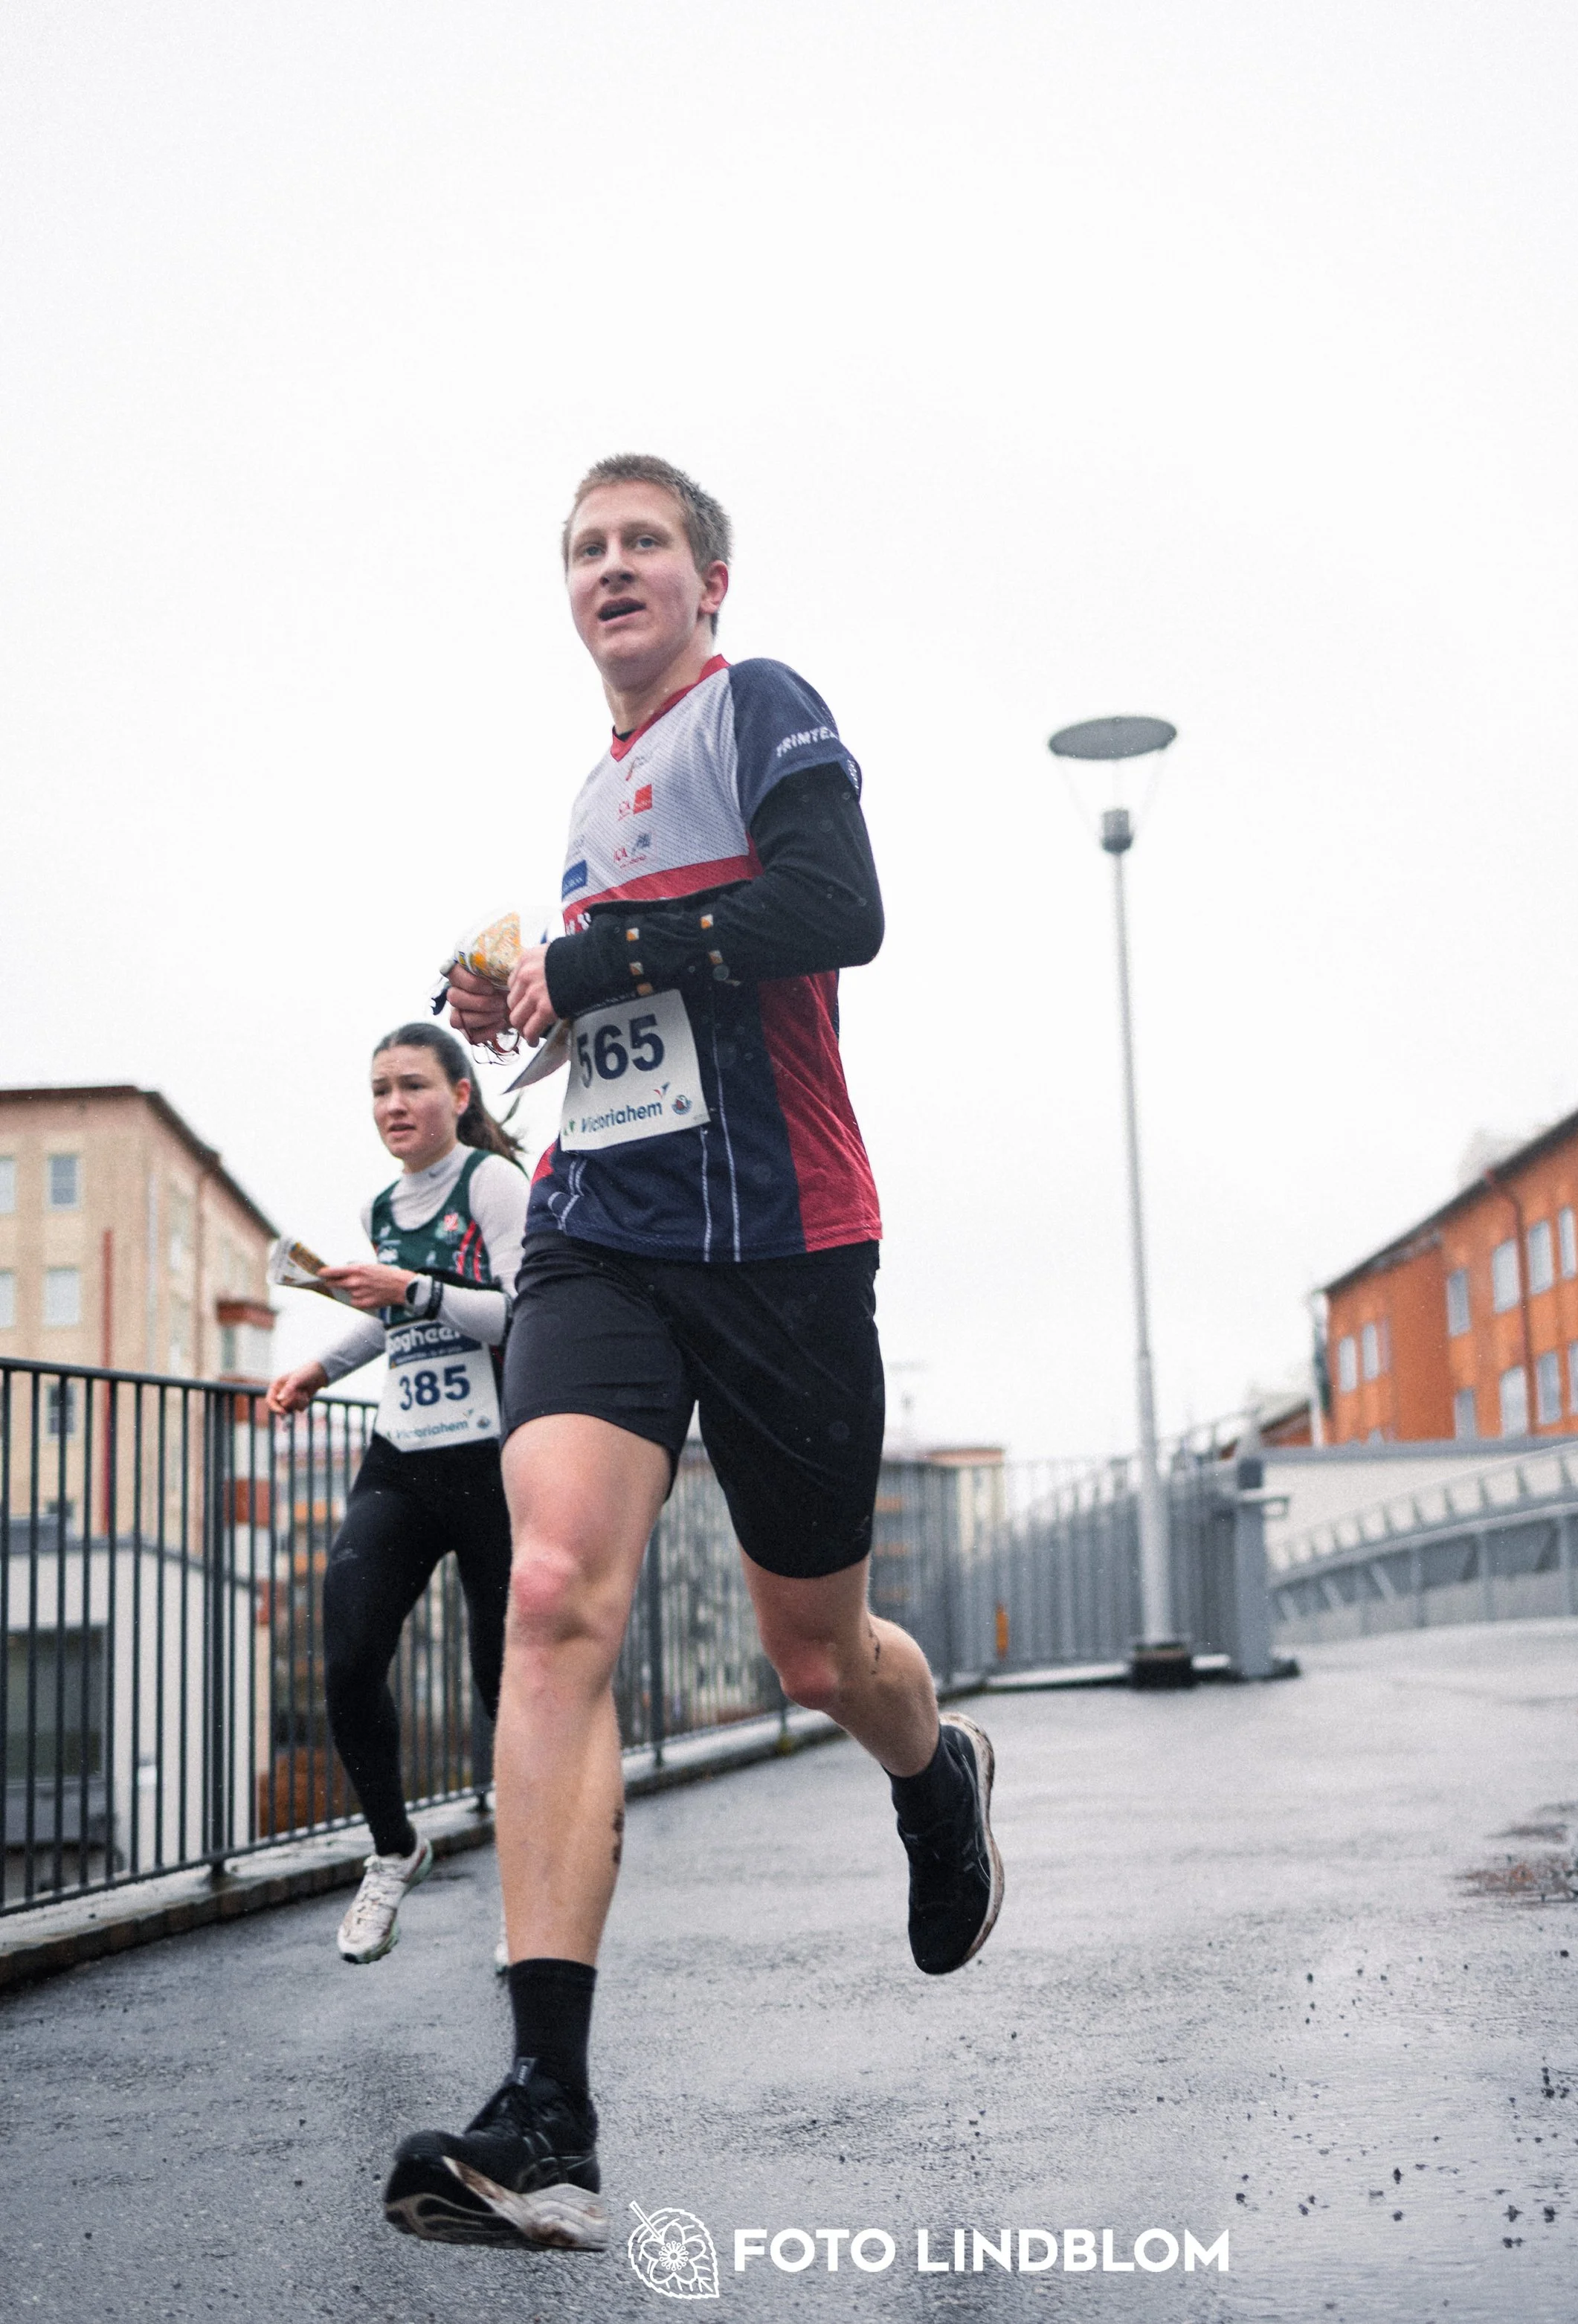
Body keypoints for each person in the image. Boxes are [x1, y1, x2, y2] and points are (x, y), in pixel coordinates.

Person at [382, 455, 1002, 2250]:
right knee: (556, 1583)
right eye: (585, 548)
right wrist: (530, 998)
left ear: (709, 583)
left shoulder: (762, 708)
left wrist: (600, 960)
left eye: (644, 540)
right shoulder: (588, 792)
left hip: (785, 1241)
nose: (612, 566)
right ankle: (550, 2120)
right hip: (602, 1233)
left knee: (824, 1649)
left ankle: (932, 1767)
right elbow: (612, 1012)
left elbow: (837, 910)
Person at [267, 1023, 529, 1966]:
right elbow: (389, 1324)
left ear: (460, 1094)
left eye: (413, 1085)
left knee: (506, 1686)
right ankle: (394, 1848)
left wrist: (412, 1289)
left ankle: (532, 1887)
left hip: (495, 1461)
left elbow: (523, 1307)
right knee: (346, 1654)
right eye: (379, 1089)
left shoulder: (490, 1184)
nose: (393, 1105)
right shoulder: (385, 1202)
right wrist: (315, 1367)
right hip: (401, 1456)